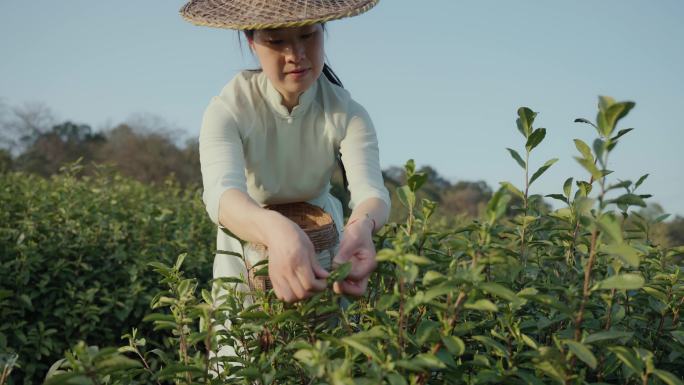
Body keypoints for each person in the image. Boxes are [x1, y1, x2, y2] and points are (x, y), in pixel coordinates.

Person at [181, 0, 390, 305]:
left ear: (324, 30)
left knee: (327, 343)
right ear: (252, 42)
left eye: (308, 36)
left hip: (327, 244)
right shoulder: (229, 109)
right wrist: (277, 230)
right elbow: (222, 194)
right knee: (242, 346)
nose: (296, 55)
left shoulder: (347, 111)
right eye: (277, 41)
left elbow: (371, 193)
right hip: (246, 243)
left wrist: (361, 227)